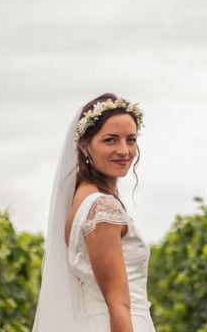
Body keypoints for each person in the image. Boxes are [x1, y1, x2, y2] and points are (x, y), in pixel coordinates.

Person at [32, 93, 156, 332]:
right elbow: (117, 302)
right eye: (110, 140)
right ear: (84, 145)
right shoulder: (102, 208)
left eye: (131, 140)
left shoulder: (80, 198)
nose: (124, 150)